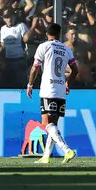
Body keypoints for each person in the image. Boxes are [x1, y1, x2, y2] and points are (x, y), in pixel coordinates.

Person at [26, 23, 78, 165]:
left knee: (45, 123)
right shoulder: (66, 49)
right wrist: (68, 83)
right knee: (53, 124)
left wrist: (30, 84)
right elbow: (75, 70)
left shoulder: (43, 46)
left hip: (48, 88)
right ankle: (46, 156)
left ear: (46, 34)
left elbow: (35, 67)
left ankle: (67, 150)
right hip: (60, 88)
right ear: (60, 34)